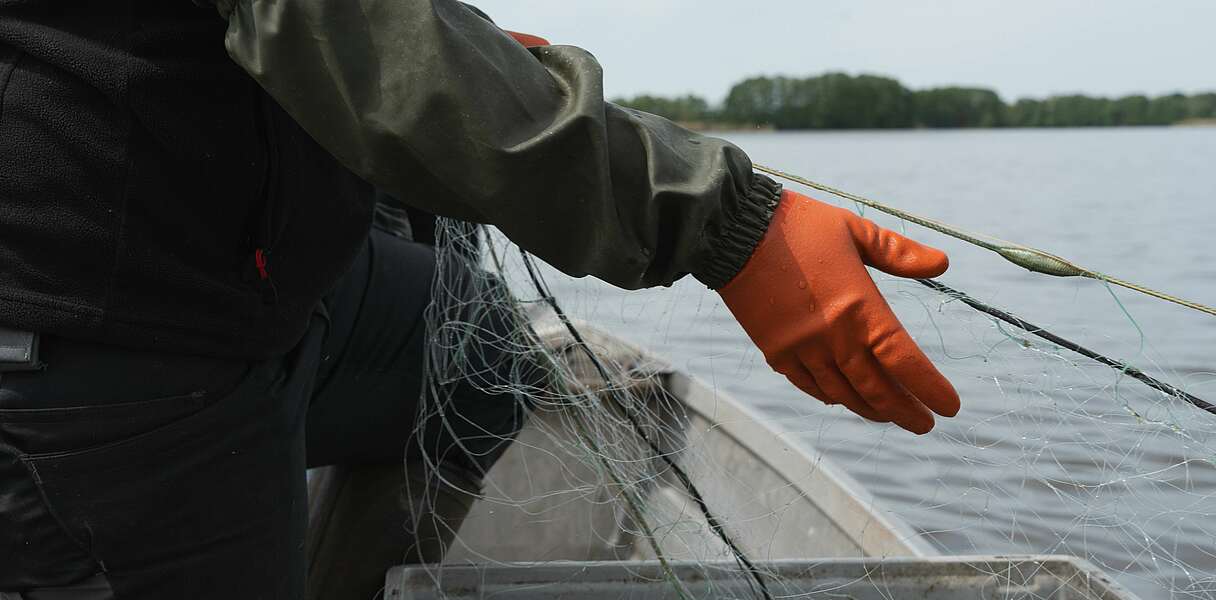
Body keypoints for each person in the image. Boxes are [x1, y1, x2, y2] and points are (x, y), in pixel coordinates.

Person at [0, 1, 960, 598]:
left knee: (477, 358)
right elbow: (351, 29)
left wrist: (471, 46)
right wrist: (732, 226)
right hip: (104, 322)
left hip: (232, 268)